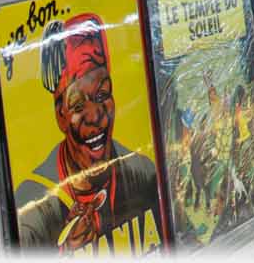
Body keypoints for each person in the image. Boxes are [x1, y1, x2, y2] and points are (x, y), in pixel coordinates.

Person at [14, 14, 161, 252]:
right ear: (60, 115)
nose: (95, 116)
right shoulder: (30, 212)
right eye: (78, 106)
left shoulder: (142, 174)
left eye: (103, 94)